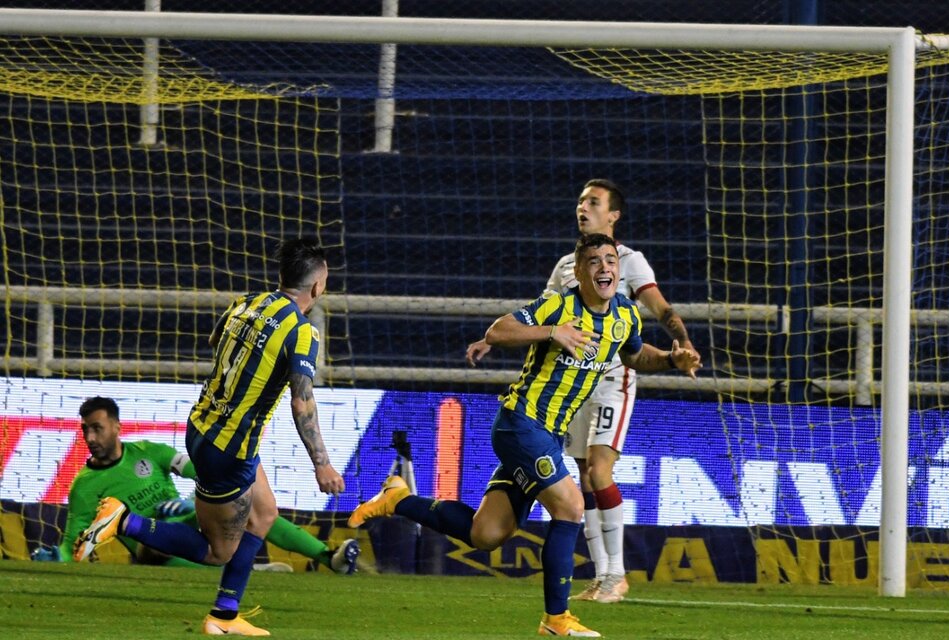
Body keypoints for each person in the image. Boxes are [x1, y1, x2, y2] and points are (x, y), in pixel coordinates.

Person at [349, 233, 701, 638]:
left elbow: (635, 356)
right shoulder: (559, 305)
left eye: (610, 260)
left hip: (548, 435)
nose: (604, 267)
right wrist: (553, 333)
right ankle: (555, 620)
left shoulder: (625, 315)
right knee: (570, 506)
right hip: (520, 424)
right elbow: (499, 331)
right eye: (593, 261)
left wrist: (673, 359)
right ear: (580, 272)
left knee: (486, 533)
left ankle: (398, 499)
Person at [73, 236, 346, 636]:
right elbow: (302, 403)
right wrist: (321, 464)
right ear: (317, 286)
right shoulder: (303, 334)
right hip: (229, 450)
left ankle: (225, 615)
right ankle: (125, 520)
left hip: (203, 424)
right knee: (218, 550)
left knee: (264, 513)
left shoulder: (246, 302)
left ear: (281, 276)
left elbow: (215, 341)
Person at [467, 178, 700, 603]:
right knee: (580, 481)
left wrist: (679, 346)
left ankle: (616, 574)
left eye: (593, 202)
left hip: (612, 378)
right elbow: (539, 317)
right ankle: (601, 576)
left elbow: (660, 308)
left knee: (598, 471)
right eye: (579, 201)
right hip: (569, 385)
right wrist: (493, 337)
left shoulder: (631, 262)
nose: (582, 207)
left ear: (614, 214)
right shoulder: (565, 266)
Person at [31, 395, 359, 577]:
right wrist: (55, 557)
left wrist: (190, 502)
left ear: (116, 427)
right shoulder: (84, 486)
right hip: (155, 549)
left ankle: (330, 558)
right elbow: (74, 543)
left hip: (191, 523)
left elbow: (202, 471)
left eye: (97, 429)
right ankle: (253, 570)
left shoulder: (149, 452)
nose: (90, 438)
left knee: (253, 511)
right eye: (86, 430)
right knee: (164, 551)